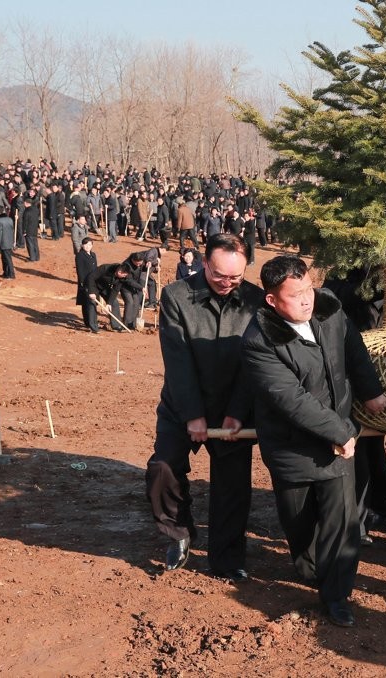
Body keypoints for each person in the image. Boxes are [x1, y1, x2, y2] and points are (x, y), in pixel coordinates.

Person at [241, 255, 386, 628]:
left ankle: (337, 594)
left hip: (339, 446)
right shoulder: (260, 341)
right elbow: (291, 400)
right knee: (299, 523)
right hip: (292, 447)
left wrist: (370, 391)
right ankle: (308, 569)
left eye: (308, 289)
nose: (307, 300)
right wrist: (339, 432)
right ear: (272, 301)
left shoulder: (329, 309)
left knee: (342, 522)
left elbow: (352, 347)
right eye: (296, 295)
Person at [146, 234, 265, 578]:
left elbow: (254, 362)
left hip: (234, 407)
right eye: (219, 275)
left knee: (232, 485)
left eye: (236, 277)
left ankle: (227, 560)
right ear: (203, 263)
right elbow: (178, 360)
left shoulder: (256, 301)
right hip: (183, 403)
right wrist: (192, 414)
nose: (227, 283)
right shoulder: (176, 296)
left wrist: (239, 412)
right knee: (163, 469)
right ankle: (178, 533)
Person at [85, 262, 132, 331]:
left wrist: (109, 303)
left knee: (114, 302)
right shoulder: (105, 268)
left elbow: (115, 290)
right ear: (119, 272)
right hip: (94, 285)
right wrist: (91, 291)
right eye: (124, 275)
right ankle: (93, 326)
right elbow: (91, 277)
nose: (125, 276)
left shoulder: (122, 278)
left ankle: (116, 325)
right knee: (92, 302)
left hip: (105, 287)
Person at [75, 238, 98, 332]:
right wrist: (83, 283)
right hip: (85, 282)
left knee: (87, 303)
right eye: (86, 245)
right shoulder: (80, 255)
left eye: (90, 245)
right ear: (82, 245)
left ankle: (88, 322)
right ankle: (92, 325)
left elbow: (95, 269)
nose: (88, 247)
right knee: (88, 303)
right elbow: (80, 271)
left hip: (93, 282)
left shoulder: (93, 255)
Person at [0, 206, 16, 279]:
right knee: (6, 258)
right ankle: (6, 273)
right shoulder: (10, 219)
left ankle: (11, 274)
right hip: (10, 241)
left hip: (3, 242)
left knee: (7, 259)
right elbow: (12, 231)